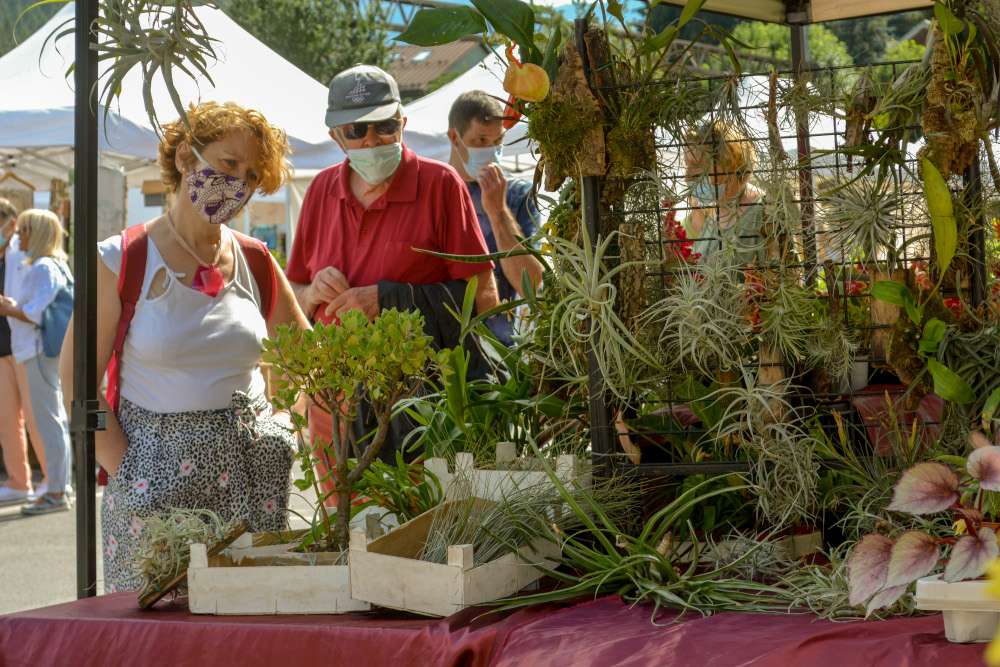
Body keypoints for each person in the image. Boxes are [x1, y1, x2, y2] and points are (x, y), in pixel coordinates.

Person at [59, 101, 310, 592]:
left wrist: (284, 424)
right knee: (156, 638)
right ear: (184, 158)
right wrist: (125, 467)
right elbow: (77, 376)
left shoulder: (256, 259)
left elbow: (306, 356)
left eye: (252, 174)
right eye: (228, 163)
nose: (237, 182)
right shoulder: (123, 256)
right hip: (152, 484)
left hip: (251, 481)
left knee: (246, 631)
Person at [286, 65, 500, 496]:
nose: (371, 141)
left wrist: (389, 300)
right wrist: (311, 292)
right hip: (335, 403)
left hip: (418, 407)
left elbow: (485, 300)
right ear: (336, 137)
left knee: (414, 538)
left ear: (403, 123)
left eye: (384, 127)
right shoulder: (321, 191)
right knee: (344, 536)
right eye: (357, 130)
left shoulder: (441, 185)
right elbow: (293, 292)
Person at [446, 90, 544, 343]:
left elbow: (532, 287)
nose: (490, 151)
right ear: (454, 138)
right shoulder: (432, 193)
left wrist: (498, 212)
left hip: (501, 352)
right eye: (480, 140)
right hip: (444, 347)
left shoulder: (518, 197)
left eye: (497, 141)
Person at [0, 209, 73, 515]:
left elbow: (34, 312)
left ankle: (57, 490)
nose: (20, 235)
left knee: (48, 421)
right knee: (50, 419)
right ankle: (57, 488)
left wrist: (9, 308)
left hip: (39, 349)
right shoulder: (53, 264)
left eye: (25, 230)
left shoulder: (44, 266)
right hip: (41, 350)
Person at [0, 199, 48, 506]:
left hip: (24, 344)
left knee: (36, 416)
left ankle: (53, 480)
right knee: (7, 418)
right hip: (2, 346)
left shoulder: (24, 256)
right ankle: (20, 482)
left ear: (11, 223)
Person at [684, 121, 765, 266]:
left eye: (696, 165)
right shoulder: (713, 212)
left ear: (730, 162)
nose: (687, 176)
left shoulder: (765, 213)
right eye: (686, 165)